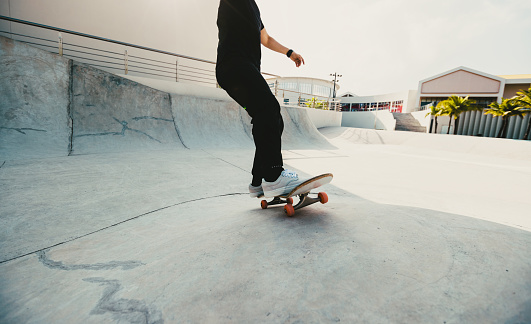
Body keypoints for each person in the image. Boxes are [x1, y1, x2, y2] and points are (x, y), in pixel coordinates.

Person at [216, 0, 306, 198]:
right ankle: (274, 176)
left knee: (270, 118)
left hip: (244, 68)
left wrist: (289, 53)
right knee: (269, 110)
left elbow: (265, 38)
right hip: (234, 64)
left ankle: (258, 181)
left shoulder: (254, 8)